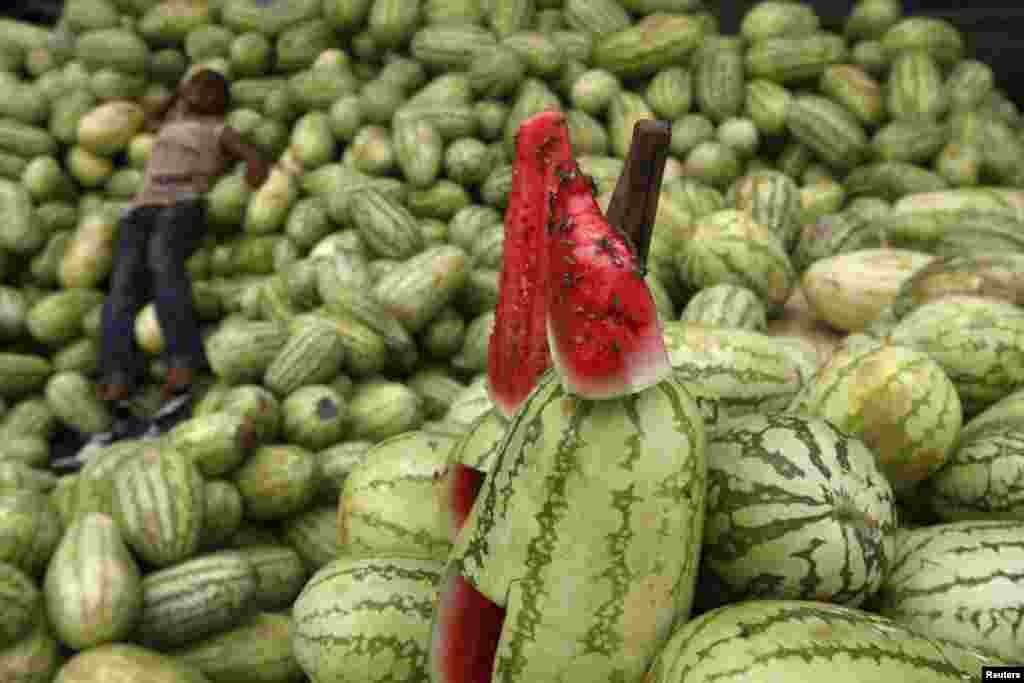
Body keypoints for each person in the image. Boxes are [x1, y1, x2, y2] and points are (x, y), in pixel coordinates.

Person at [94, 68, 270, 436]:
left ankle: (182, 363)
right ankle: (116, 375)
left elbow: (252, 158)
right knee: (122, 285)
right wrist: (178, 95)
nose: (198, 92)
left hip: (183, 205)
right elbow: (146, 115)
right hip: (139, 210)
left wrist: (253, 180)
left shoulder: (218, 130)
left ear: (220, 102)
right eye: (194, 86)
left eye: (208, 89)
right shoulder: (169, 122)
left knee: (163, 264)